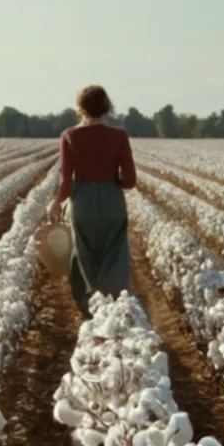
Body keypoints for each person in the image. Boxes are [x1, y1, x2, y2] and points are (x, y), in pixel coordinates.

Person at [47, 85, 137, 317]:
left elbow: (66, 180)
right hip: (112, 202)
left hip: (83, 203)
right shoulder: (119, 136)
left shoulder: (70, 136)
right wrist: (110, 180)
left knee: (84, 255)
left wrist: (56, 202)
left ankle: (90, 309)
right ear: (107, 108)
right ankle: (114, 307)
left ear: (80, 109)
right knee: (115, 255)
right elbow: (129, 181)